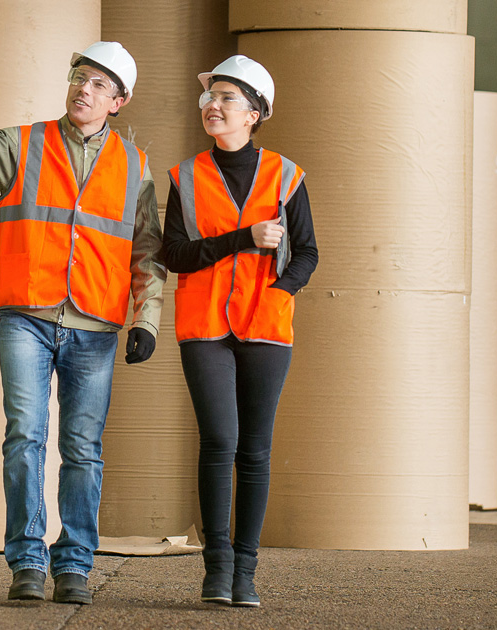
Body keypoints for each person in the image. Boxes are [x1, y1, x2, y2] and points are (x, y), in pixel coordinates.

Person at [0, 32, 166, 605]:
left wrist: (148, 320)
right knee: (25, 438)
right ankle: (28, 562)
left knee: (83, 448)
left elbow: (147, 254)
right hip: (27, 316)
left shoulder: (136, 166)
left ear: (119, 101)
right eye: (78, 78)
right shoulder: (24, 144)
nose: (83, 90)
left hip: (95, 326)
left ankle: (75, 566)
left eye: (98, 85)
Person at [161, 55, 318, 608]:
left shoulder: (286, 175)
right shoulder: (185, 177)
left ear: (254, 113)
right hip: (204, 325)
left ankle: (245, 572)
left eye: (226, 98)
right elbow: (175, 255)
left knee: (254, 450)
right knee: (219, 442)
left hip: (266, 327)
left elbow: (309, 255)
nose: (213, 105)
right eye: (210, 97)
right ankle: (216, 567)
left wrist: (280, 292)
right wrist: (243, 238)